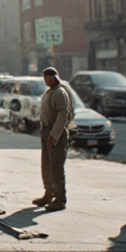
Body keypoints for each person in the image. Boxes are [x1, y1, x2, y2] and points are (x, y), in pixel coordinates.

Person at [33, 66, 75, 211]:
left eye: (48, 77)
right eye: (44, 77)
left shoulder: (59, 93)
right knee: (46, 166)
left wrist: (55, 135)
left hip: (55, 133)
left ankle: (60, 198)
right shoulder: (48, 93)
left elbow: (63, 115)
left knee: (56, 167)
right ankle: (48, 193)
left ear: (54, 77)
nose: (46, 80)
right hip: (46, 132)